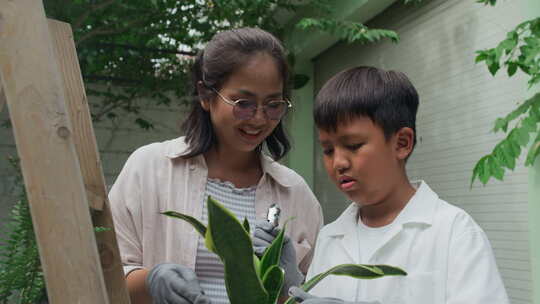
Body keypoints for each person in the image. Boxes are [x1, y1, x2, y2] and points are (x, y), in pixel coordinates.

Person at [108, 27, 323, 304]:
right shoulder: (149, 169)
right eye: (243, 103)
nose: (258, 119)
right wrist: (150, 280)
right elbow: (105, 274)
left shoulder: (296, 193)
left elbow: (315, 292)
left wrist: (288, 283)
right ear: (206, 96)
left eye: (273, 104)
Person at [287, 66, 509, 303]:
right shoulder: (330, 238)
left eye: (353, 145)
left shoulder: (455, 232)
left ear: (402, 143)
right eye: (328, 150)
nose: (338, 163)